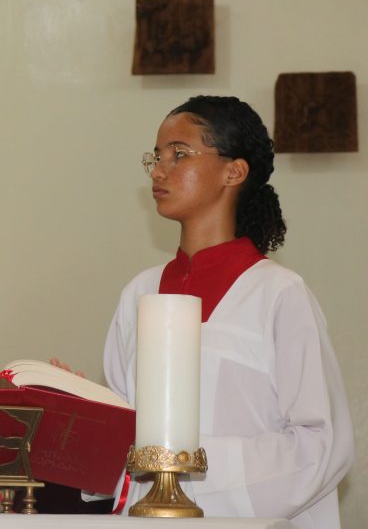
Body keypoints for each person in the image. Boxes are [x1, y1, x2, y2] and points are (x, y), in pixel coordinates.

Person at [104, 96, 353, 528]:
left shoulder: (279, 294)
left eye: (179, 154)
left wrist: (187, 459)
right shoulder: (139, 294)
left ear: (234, 172)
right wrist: (74, 413)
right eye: (156, 157)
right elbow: (125, 437)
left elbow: (321, 445)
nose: (159, 171)